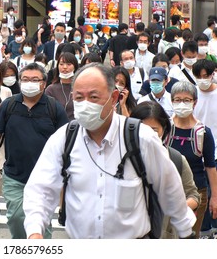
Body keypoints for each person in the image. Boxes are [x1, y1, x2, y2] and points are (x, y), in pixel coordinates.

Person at [23, 63, 196, 239]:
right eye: (79, 98)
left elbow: (169, 187)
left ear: (113, 98)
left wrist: (184, 230)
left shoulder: (140, 137)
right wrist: (35, 231)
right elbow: (41, 190)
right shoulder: (64, 139)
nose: (85, 104)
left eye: (94, 97)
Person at [0, 63, 69, 239]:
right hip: (15, 176)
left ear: (43, 83)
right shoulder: (9, 105)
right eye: (25, 79)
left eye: (34, 80)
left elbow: (66, 140)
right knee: (16, 218)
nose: (29, 83)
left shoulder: (54, 108)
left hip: (45, 179)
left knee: (41, 225)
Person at [130, 101, 200, 238]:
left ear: (164, 130)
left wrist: (175, 207)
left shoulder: (175, 159)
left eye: (154, 130)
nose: (147, 135)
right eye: (142, 129)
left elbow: (193, 195)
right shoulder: (122, 160)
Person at [169, 80, 217, 238]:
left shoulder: (203, 133)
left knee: (189, 237)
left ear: (195, 102)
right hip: (166, 193)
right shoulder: (165, 128)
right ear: (172, 101)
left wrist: (214, 197)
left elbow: (210, 167)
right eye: (177, 100)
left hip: (197, 193)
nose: (181, 103)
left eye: (187, 100)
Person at [192, 59, 217, 238]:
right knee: (202, 192)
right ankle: (204, 230)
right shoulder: (191, 97)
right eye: (199, 77)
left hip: (216, 151)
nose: (203, 80)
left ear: (212, 74)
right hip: (196, 150)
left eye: (206, 76)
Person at [45, 52, 78, 120]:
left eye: (69, 64)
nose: (65, 67)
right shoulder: (51, 89)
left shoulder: (80, 87)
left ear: (75, 67)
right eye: (61, 64)